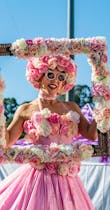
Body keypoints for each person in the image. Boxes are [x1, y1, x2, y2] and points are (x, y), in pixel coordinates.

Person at [0, 55, 97, 209]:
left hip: (67, 180)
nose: (56, 80)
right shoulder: (26, 109)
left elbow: (91, 134)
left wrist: (102, 109)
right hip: (38, 179)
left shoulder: (71, 107)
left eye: (61, 76)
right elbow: (7, 141)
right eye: (50, 74)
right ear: (38, 75)